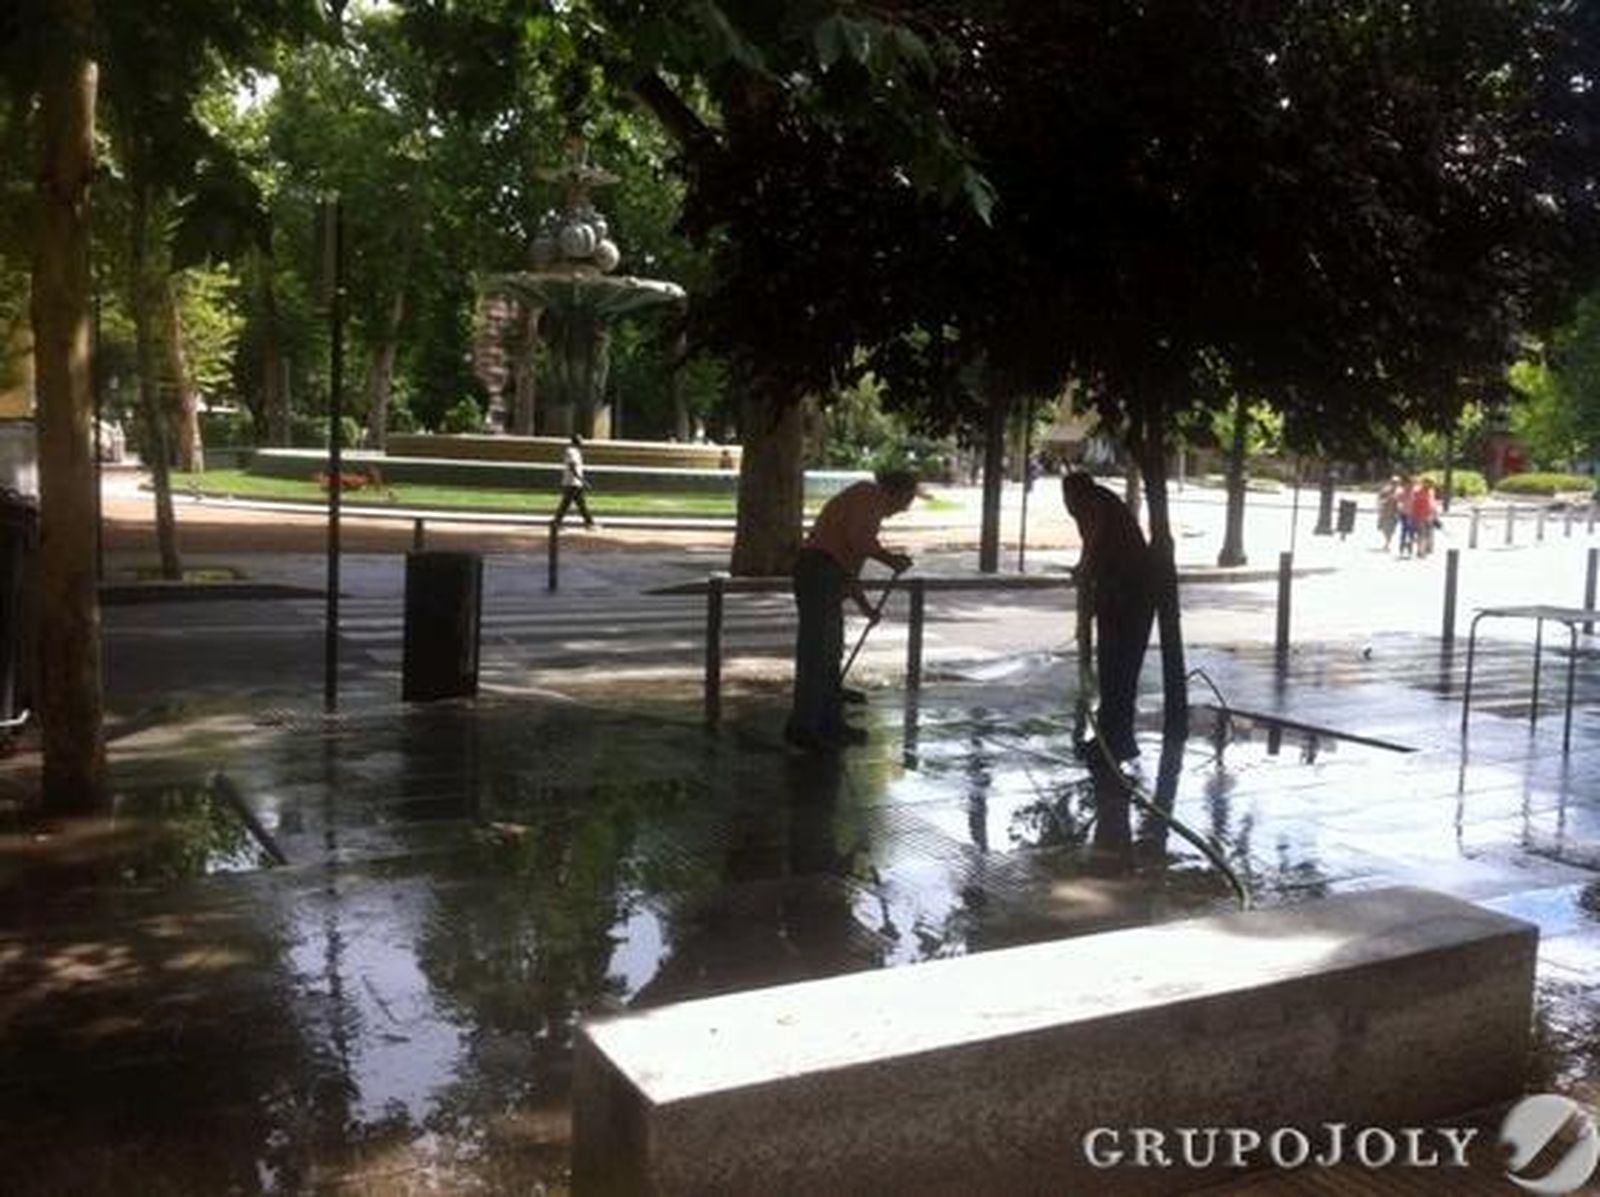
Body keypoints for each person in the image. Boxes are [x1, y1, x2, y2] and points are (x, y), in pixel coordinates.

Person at [787, 469, 919, 751]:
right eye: (907, 500)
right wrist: (890, 560)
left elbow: (849, 570)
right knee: (817, 653)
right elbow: (859, 541)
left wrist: (866, 608)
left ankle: (830, 724)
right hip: (817, 571)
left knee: (830, 653)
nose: (905, 508)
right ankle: (803, 727)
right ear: (896, 491)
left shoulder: (868, 505)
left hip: (826, 574)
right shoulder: (867, 495)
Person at [1062, 471, 1156, 762]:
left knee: (1119, 673)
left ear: (1078, 494)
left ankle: (1117, 741)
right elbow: (1092, 552)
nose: (1066, 505)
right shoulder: (1096, 505)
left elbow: (1095, 546)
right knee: (1112, 674)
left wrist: (1084, 572)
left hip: (1128, 598)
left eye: (1067, 498)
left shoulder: (1096, 505)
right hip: (1117, 596)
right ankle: (1110, 738)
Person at [552, 433, 596, 530]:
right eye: (580, 440)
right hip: (572, 482)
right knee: (573, 504)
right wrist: (582, 480)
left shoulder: (575, 451)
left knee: (577, 504)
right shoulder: (572, 452)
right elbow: (572, 466)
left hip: (574, 482)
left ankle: (557, 523)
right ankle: (589, 523)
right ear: (576, 441)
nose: (582, 442)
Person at [1410, 478, 1438, 558]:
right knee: (1422, 534)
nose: (1430, 485)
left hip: (1430, 516)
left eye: (1431, 483)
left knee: (1429, 534)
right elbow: (1414, 505)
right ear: (1424, 483)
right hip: (1420, 517)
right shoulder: (1417, 492)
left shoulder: (1431, 491)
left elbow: (1433, 503)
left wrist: (1435, 515)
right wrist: (1414, 517)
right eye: (1428, 483)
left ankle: (1426, 549)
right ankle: (1420, 551)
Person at [1377, 476, 1401, 551]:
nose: (1395, 484)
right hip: (1385, 511)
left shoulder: (1400, 491)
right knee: (1384, 528)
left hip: (1394, 513)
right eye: (1393, 482)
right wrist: (1384, 502)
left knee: (1391, 529)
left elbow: (1402, 500)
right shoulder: (1385, 490)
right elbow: (1379, 499)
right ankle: (1387, 541)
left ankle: (1387, 543)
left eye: (1397, 482)